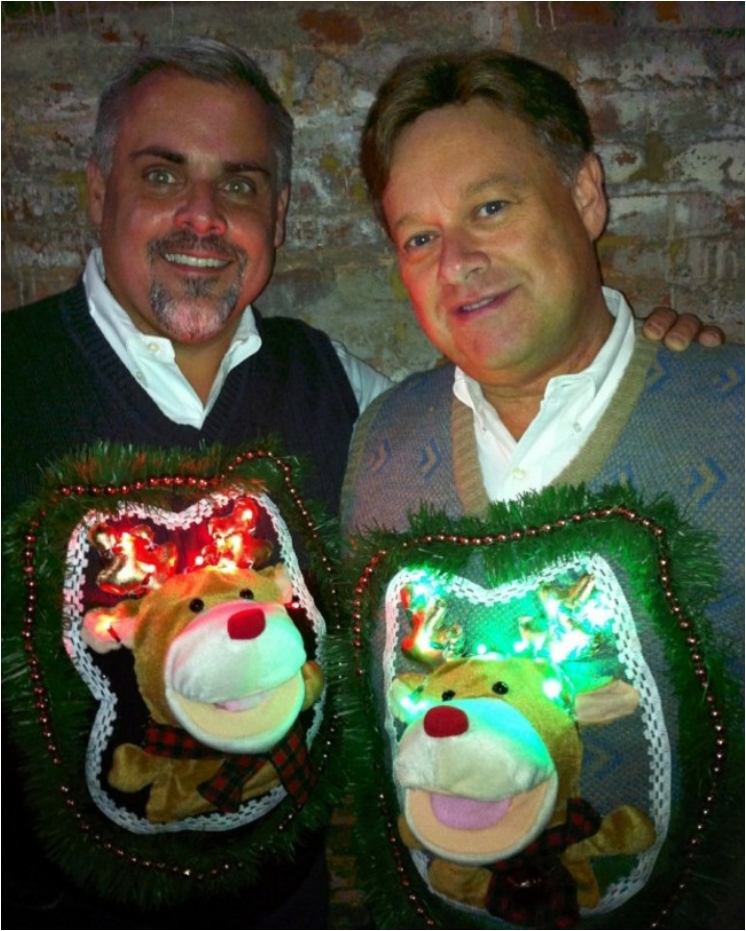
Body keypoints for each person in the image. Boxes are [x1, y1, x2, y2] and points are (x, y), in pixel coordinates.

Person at [0, 36, 724, 929]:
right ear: (97, 190)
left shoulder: (348, 397)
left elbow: (526, 389)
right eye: (161, 175)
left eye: (240, 184)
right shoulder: (12, 379)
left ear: (279, 212)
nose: (202, 216)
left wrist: (681, 374)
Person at [342, 49, 742, 928]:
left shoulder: (733, 418)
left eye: (491, 208)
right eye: (419, 237)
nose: (458, 261)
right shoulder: (380, 444)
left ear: (586, 196)